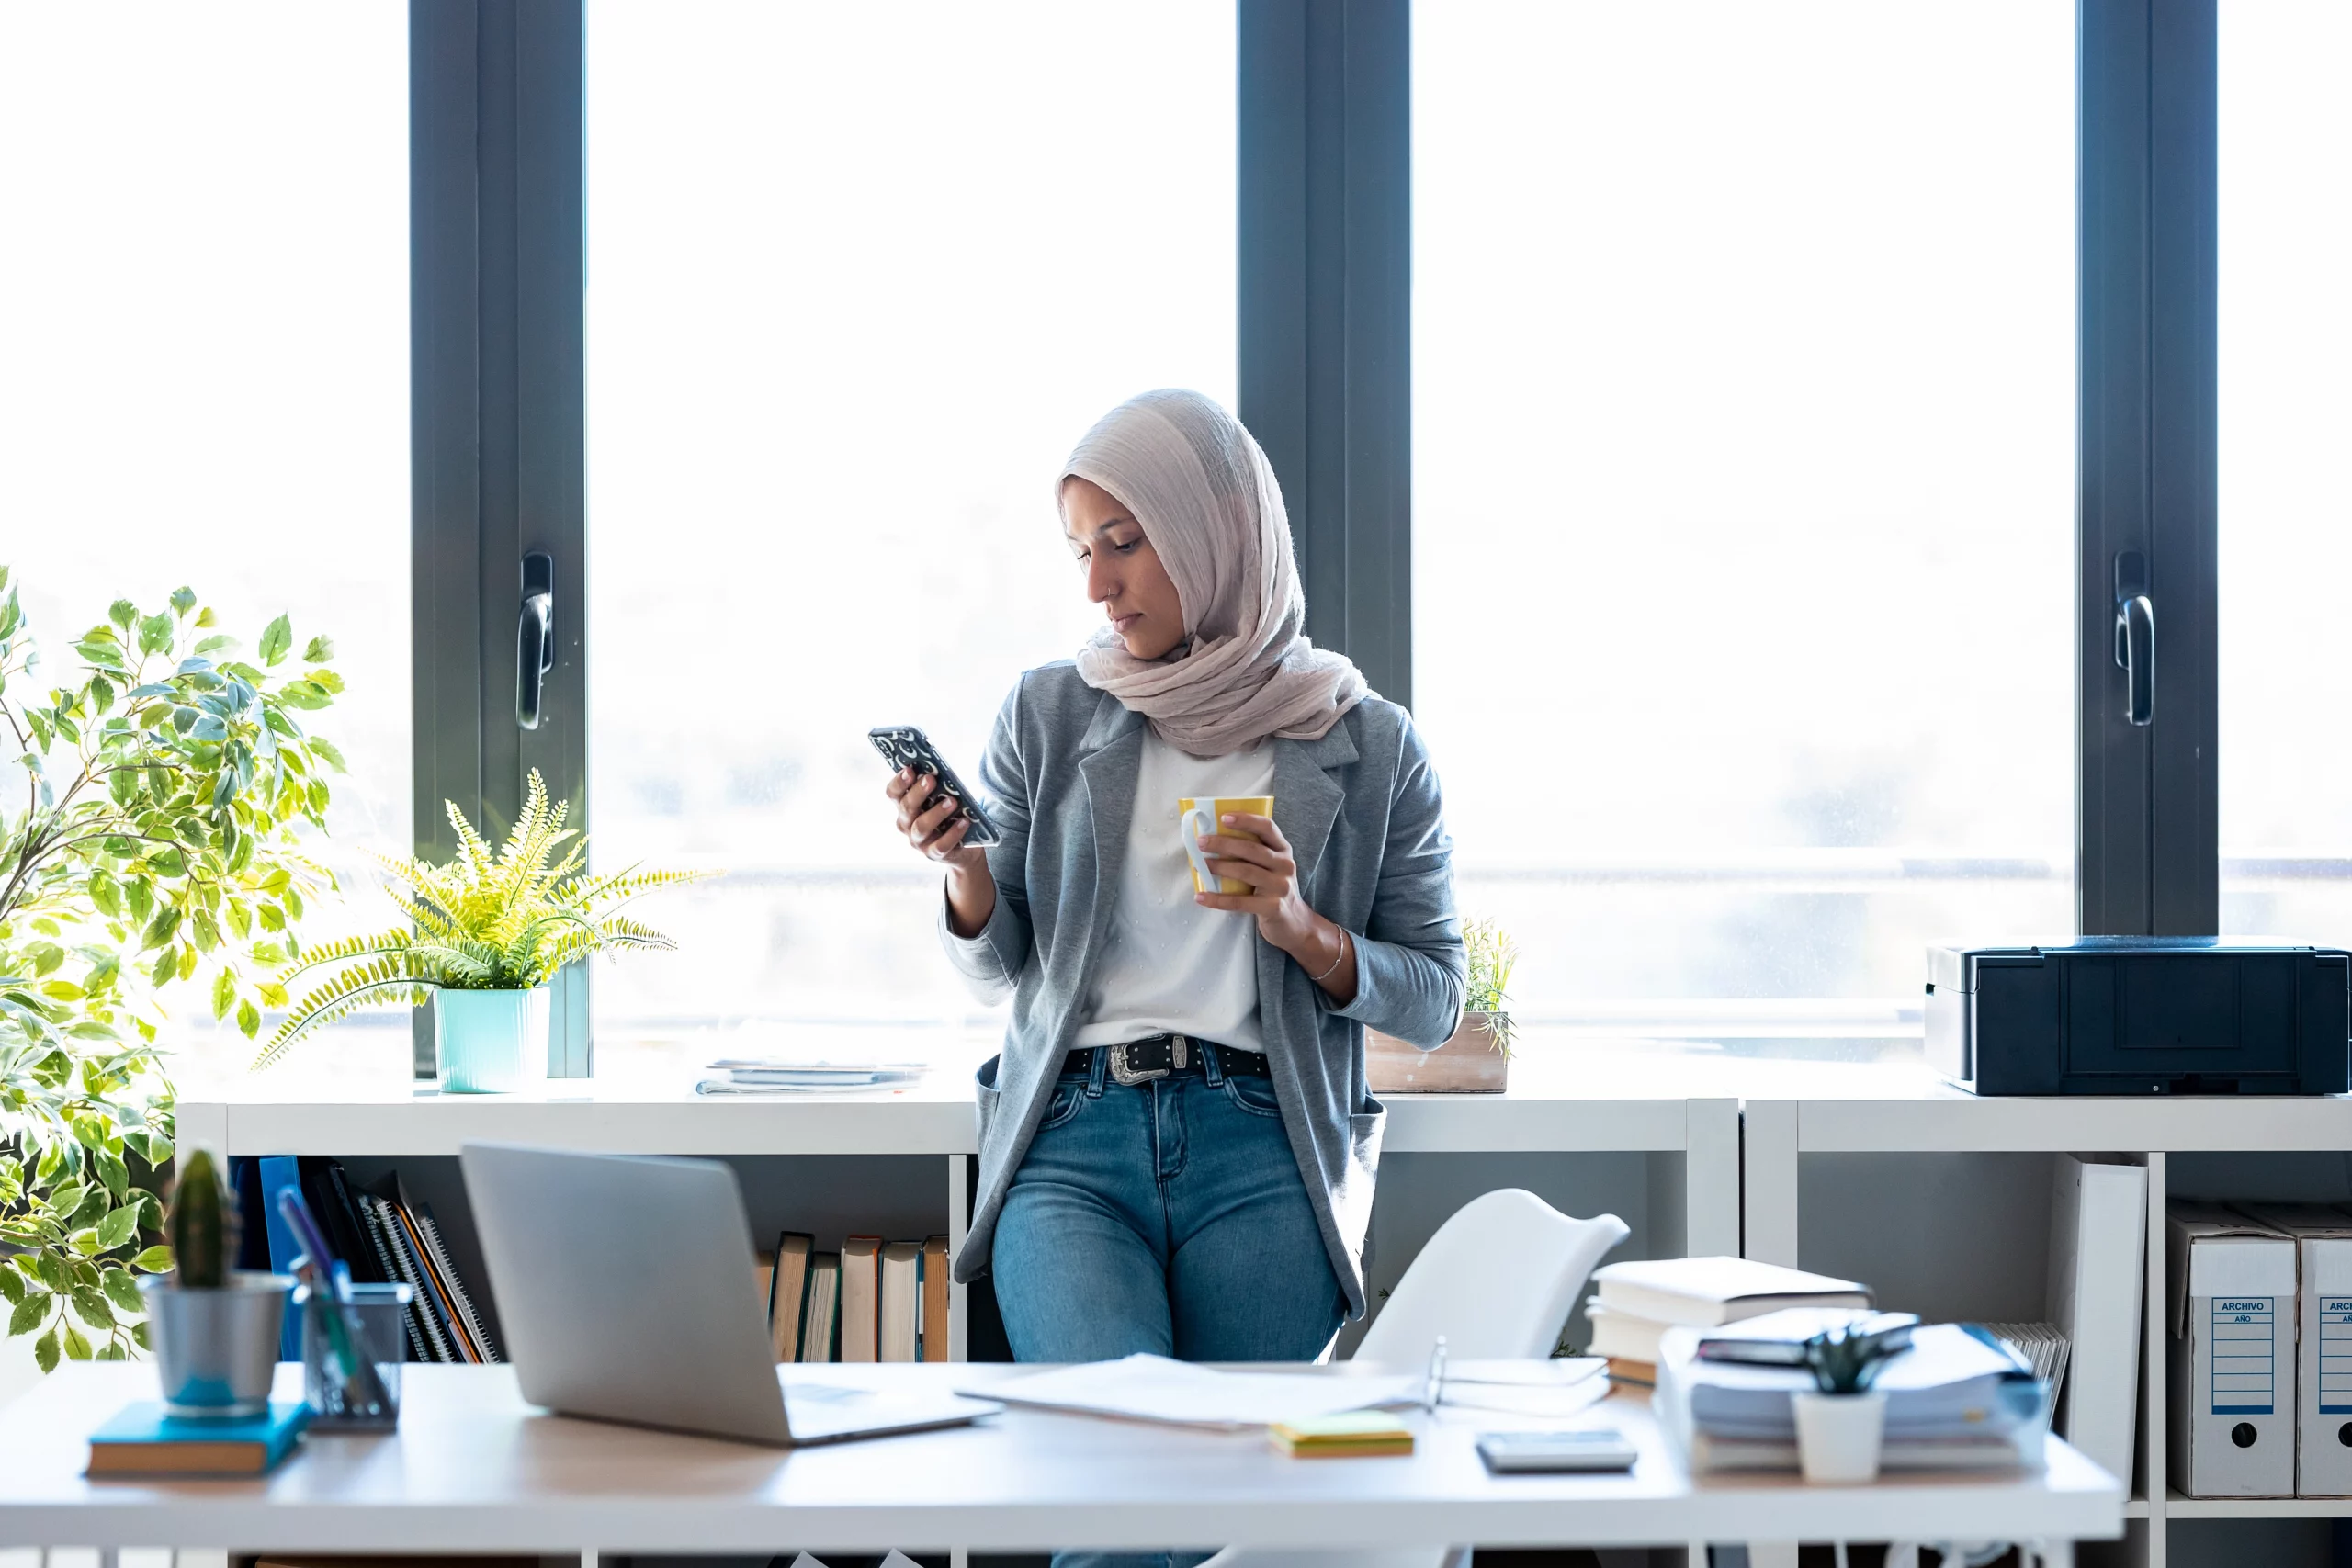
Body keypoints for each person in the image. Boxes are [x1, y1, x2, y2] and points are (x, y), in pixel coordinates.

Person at [884, 388, 1464, 1376]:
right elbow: (1002, 970)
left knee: (1219, 1503)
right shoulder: (1050, 713)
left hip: (1266, 1148)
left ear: (1212, 533)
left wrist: (1301, 930)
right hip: (1072, 1142)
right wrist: (967, 874)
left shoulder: (1371, 744)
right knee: (1109, 1485)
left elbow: (1437, 1003)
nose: (1098, 588)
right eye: (1080, 552)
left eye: (1124, 542)